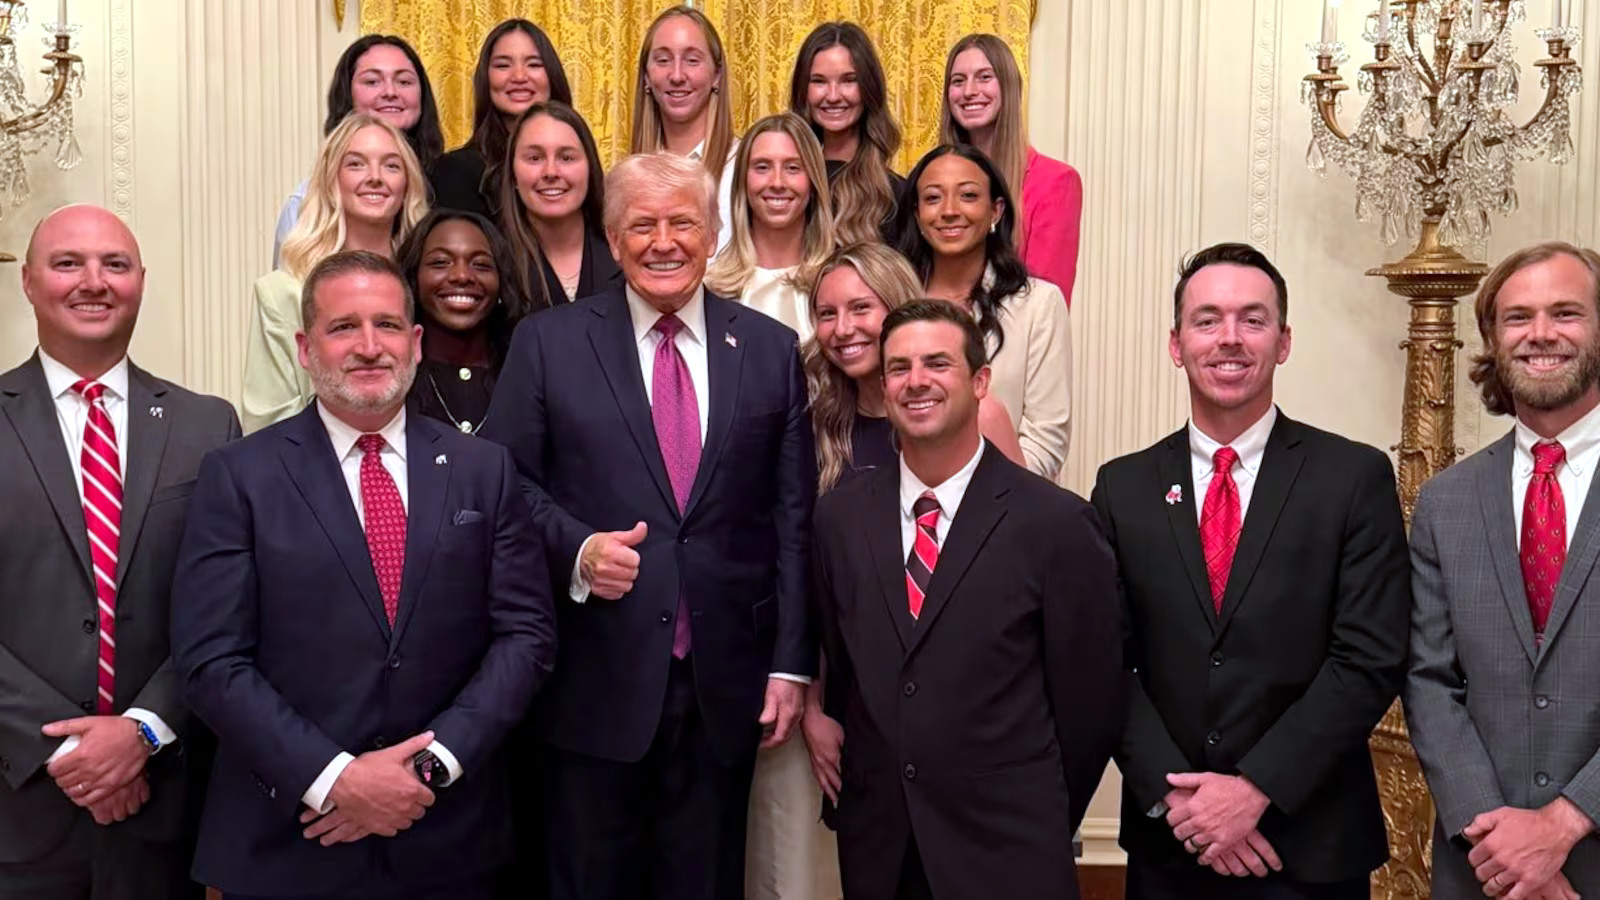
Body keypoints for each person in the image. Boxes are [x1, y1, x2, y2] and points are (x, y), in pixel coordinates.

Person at [480, 151, 815, 900]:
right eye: (642, 226)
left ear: (712, 234)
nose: (664, 242)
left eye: (683, 223)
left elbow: (791, 517)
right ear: (612, 236)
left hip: (725, 683)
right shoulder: (548, 343)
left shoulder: (769, 351)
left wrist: (791, 665)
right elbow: (505, 484)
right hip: (591, 679)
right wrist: (577, 548)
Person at [171, 250, 557, 900]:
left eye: (387, 325)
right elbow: (211, 661)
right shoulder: (238, 475)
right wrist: (336, 780)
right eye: (344, 327)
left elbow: (526, 637)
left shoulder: (484, 469)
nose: (369, 347)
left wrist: (428, 768)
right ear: (305, 348)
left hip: (448, 836)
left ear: (416, 342)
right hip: (291, 839)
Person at [1092, 242, 1410, 899]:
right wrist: (1181, 802)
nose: (1229, 338)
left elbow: (1369, 657)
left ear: (1284, 342)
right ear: (1176, 344)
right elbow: (1103, 661)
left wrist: (1256, 788)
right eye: (1207, 320)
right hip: (1171, 844)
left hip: (1309, 846)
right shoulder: (1122, 488)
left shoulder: (1353, 478)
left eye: (1253, 319)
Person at [811, 298, 1121, 900]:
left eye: (937, 363)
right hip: (881, 849)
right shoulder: (839, 519)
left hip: (1009, 848)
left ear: (980, 382)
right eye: (898, 367)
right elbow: (848, 677)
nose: (916, 381)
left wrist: (1039, 811)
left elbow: (1091, 707)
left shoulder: (1056, 524)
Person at [0, 205, 239, 898]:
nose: (94, 281)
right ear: (29, 282)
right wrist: (68, 749)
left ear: (140, 281)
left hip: (164, 810)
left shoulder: (208, 425)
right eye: (67, 263)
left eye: (115, 264)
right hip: (16, 807)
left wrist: (142, 731)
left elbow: (229, 605)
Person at [1406, 241, 1600, 900]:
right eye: (1518, 317)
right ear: (1492, 339)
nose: (1541, 333)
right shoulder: (1445, 502)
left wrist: (1563, 825)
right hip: (1483, 869)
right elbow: (1428, 681)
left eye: (1566, 313)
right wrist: (1503, 846)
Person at [894, 144, 1072, 479]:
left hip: (1002, 498)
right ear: (917, 214)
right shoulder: (893, 300)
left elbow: (1046, 440)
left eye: (968, 196)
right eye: (933, 198)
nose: (949, 210)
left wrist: (993, 497)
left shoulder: (1038, 304)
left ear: (995, 210)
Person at [244, 113, 429, 433]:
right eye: (356, 164)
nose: (375, 177)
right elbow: (268, 427)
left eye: (391, 165)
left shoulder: (427, 286)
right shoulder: (283, 291)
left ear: (407, 185)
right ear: (332, 180)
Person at [802, 241, 1024, 493]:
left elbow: (1021, 507)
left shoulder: (977, 412)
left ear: (898, 307)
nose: (842, 329)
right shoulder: (817, 414)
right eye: (827, 314)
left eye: (860, 308)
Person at [272, 35, 444, 267]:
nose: (390, 92)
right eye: (372, 82)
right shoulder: (305, 202)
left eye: (404, 82)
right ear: (347, 94)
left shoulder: (451, 183)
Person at [940, 34, 1082, 304]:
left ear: (1009, 86)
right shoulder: (932, 182)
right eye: (958, 81)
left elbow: (1046, 304)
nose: (969, 91)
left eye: (984, 77)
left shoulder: (1055, 182)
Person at [397, 209, 534, 435]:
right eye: (440, 262)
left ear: (502, 280)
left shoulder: (529, 373)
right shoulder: (392, 375)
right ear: (414, 278)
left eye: (481, 264)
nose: (462, 276)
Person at [705, 112, 835, 340]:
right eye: (762, 167)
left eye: (793, 168)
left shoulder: (838, 283)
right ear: (742, 182)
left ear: (814, 182)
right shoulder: (710, 290)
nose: (777, 183)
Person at [431, 19, 572, 219]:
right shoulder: (457, 171)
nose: (519, 77)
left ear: (552, 76)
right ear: (486, 80)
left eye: (534, 64)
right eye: (503, 65)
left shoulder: (577, 167)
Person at [630, 6, 738, 250]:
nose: (677, 75)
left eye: (692, 60)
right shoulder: (628, 177)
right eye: (663, 60)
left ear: (717, 75)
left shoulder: (744, 170)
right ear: (646, 77)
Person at [789, 22, 904, 246]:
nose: (833, 96)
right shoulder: (786, 185)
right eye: (819, 81)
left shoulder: (896, 195)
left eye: (849, 80)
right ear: (803, 91)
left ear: (869, 88)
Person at [499, 102, 621, 307]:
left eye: (566, 158)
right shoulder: (492, 260)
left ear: (590, 169)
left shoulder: (625, 251)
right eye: (535, 158)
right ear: (512, 175)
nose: (551, 172)